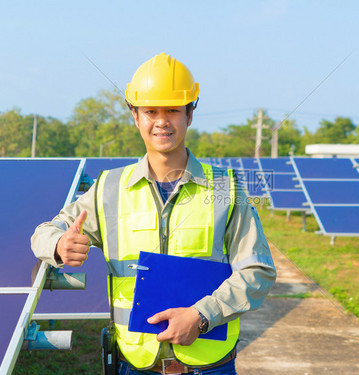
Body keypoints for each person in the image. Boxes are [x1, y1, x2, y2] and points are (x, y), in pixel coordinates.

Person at [31, 52, 276, 375]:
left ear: (190, 114)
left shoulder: (224, 188)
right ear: (135, 116)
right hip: (135, 365)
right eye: (150, 111)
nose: (162, 121)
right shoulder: (109, 188)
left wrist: (202, 316)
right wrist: (59, 244)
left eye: (173, 110)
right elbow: (43, 232)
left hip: (209, 367)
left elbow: (258, 270)